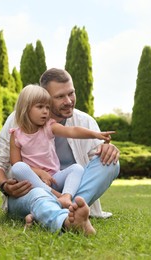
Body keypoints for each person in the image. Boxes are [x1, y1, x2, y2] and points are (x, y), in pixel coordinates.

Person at [0, 68, 120, 235]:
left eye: (71, 93)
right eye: (59, 97)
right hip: (30, 190)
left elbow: (96, 156)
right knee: (36, 192)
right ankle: (67, 219)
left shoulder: (84, 121)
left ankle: (57, 210)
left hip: (68, 188)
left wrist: (108, 149)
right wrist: (5, 185)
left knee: (109, 163)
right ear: (44, 97)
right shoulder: (17, 121)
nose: (68, 101)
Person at [9, 84, 114, 213]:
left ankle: (66, 196)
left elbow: (72, 131)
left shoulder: (49, 127)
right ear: (25, 108)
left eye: (47, 107)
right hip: (34, 182)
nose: (45, 111)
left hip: (54, 178)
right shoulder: (16, 134)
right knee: (18, 168)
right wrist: (40, 173)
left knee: (76, 168)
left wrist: (95, 134)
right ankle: (57, 197)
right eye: (40, 107)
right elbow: (16, 162)